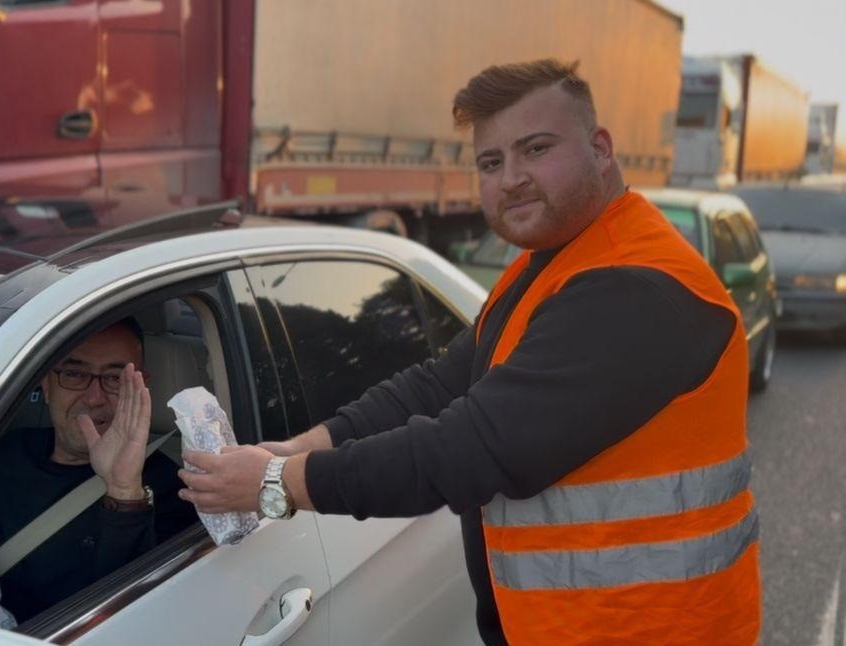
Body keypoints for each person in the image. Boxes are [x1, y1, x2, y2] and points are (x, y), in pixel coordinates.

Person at [177, 59, 761, 645]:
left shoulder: (635, 289)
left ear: (600, 149)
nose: (511, 178)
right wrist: (300, 446)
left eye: (536, 149)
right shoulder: (552, 266)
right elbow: (438, 384)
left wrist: (279, 482)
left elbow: (470, 449)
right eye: (491, 162)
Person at [0, 319, 196, 620]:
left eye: (114, 378)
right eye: (74, 374)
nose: (94, 397)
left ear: (140, 389)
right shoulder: (6, 452)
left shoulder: (172, 489)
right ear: (46, 385)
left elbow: (137, 615)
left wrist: (124, 491)